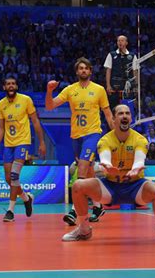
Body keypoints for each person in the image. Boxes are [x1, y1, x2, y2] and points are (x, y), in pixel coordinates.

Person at [62, 104, 155, 242]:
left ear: (131, 118)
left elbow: (140, 159)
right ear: (114, 120)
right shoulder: (104, 140)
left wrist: (137, 167)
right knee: (78, 186)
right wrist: (107, 165)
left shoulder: (140, 139)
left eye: (127, 113)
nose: (125, 116)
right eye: (121, 113)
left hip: (135, 186)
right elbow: (105, 158)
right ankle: (84, 230)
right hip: (110, 187)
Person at [46, 57, 114, 226]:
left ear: (90, 71)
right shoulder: (70, 90)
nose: (83, 70)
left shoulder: (98, 90)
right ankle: (98, 206)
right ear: (77, 72)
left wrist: (115, 136)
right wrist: (49, 90)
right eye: (81, 68)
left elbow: (108, 114)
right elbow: (49, 106)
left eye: (86, 68)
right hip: (76, 136)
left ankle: (75, 212)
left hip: (92, 134)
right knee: (90, 171)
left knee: (82, 170)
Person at [0, 77, 46, 222]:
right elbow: (1, 128)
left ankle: (10, 211)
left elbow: (35, 121)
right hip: (8, 144)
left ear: (17, 86)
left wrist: (41, 142)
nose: (11, 86)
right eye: (8, 84)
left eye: (13, 84)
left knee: (14, 176)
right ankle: (27, 198)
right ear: (4, 87)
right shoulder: (1, 104)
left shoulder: (26, 100)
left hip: (22, 142)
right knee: (9, 179)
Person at [104, 35, 138, 111]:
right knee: (114, 109)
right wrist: (108, 85)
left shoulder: (132, 56)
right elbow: (108, 70)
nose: (120, 42)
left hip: (128, 86)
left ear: (126, 43)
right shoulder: (111, 55)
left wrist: (136, 87)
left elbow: (135, 72)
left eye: (122, 40)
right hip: (114, 86)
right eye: (118, 41)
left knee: (127, 109)